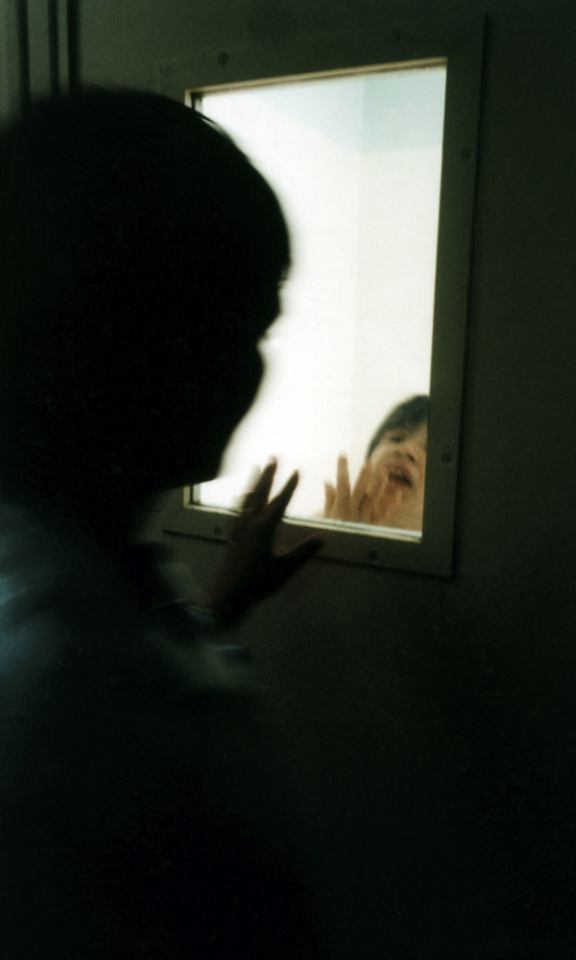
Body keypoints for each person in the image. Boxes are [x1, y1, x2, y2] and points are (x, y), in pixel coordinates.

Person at [0, 90, 322, 958]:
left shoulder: (93, 551)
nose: (253, 367)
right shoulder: (51, 679)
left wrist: (222, 606)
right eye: (235, 321)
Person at [323, 395, 429, 531]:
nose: (406, 449)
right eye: (397, 438)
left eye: (428, 450)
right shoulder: (319, 526)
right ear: (368, 460)